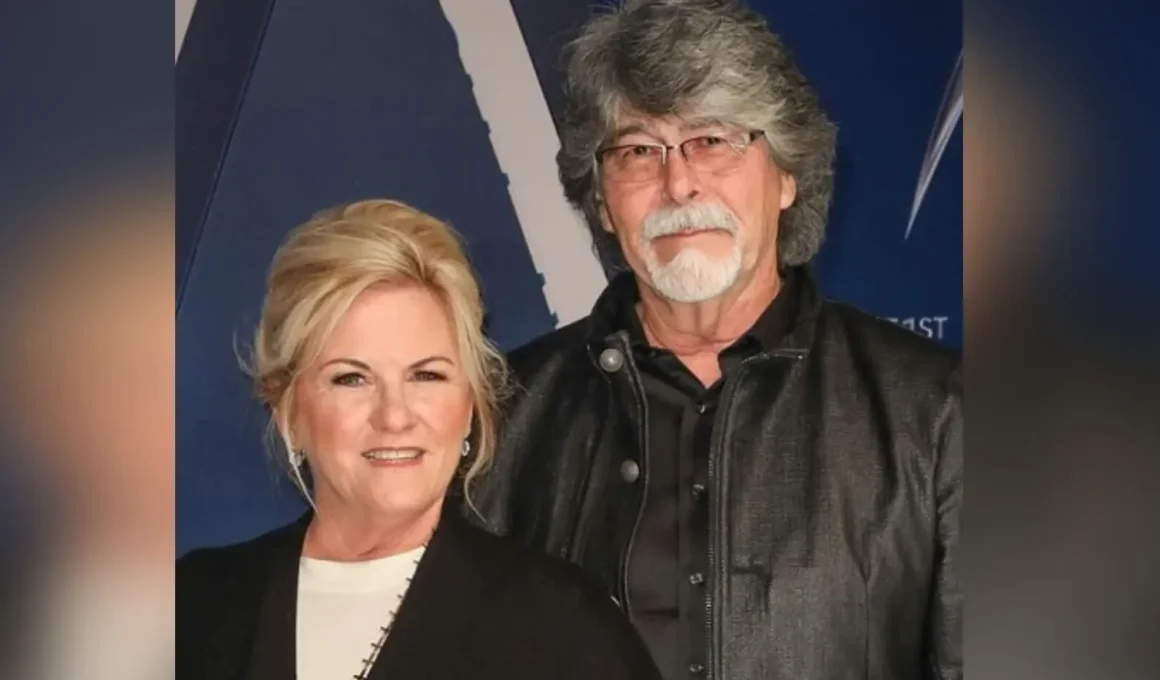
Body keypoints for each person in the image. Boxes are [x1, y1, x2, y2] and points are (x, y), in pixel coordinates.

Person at [469, 2, 962, 679]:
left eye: (712, 140)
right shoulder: (503, 414)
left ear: (786, 175)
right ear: (603, 204)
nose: (679, 184)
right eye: (638, 151)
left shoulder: (937, 414)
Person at [176, 199, 663, 680]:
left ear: (470, 405)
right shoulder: (195, 607)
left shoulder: (563, 626)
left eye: (426, 376)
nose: (395, 416)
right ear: (286, 408)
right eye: (351, 379)